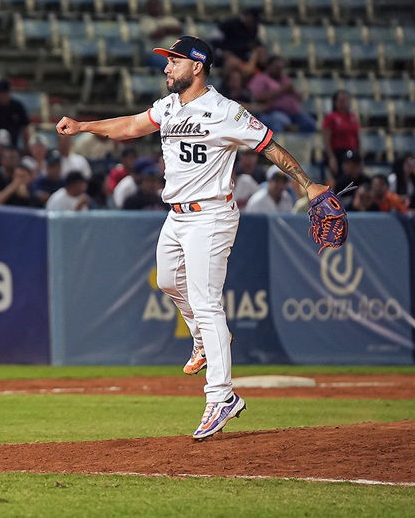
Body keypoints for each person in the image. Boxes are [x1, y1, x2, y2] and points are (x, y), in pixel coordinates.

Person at [55, 36, 329, 440]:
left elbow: (270, 147)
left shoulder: (225, 111)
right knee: (168, 281)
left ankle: (221, 396)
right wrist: (84, 126)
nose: (167, 67)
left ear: (197, 66)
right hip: (177, 215)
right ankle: (203, 339)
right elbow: (131, 126)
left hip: (211, 214)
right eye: (167, 61)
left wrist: (308, 184)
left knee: (206, 301)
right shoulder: (169, 106)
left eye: (174, 61)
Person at [248, 56, 315, 133]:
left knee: (310, 124)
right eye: (276, 67)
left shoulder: (285, 78)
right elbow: (256, 96)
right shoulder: (261, 78)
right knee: (282, 123)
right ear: (269, 66)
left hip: (295, 113)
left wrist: (295, 92)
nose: (279, 70)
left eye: (281, 68)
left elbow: (299, 98)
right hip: (273, 112)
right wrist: (281, 90)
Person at [213, 8, 267, 80]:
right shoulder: (229, 24)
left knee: (261, 51)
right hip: (228, 56)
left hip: (245, 57)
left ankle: (263, 78)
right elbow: (214, 41)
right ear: (248, 16)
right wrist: (225, 52)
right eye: (253, 20)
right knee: (233, 62)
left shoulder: (253, 28)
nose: (253, 23)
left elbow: (255, 43)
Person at [322, 90, 360, 179]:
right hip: (338, 152)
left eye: (345, 100)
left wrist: (359, 156)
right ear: (335, 102)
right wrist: (331, 158)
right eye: (341, 100)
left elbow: (357, 137)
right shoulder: (330, 117)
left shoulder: (352, 117)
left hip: (351, 151)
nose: (343, 103)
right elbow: (327, 139)